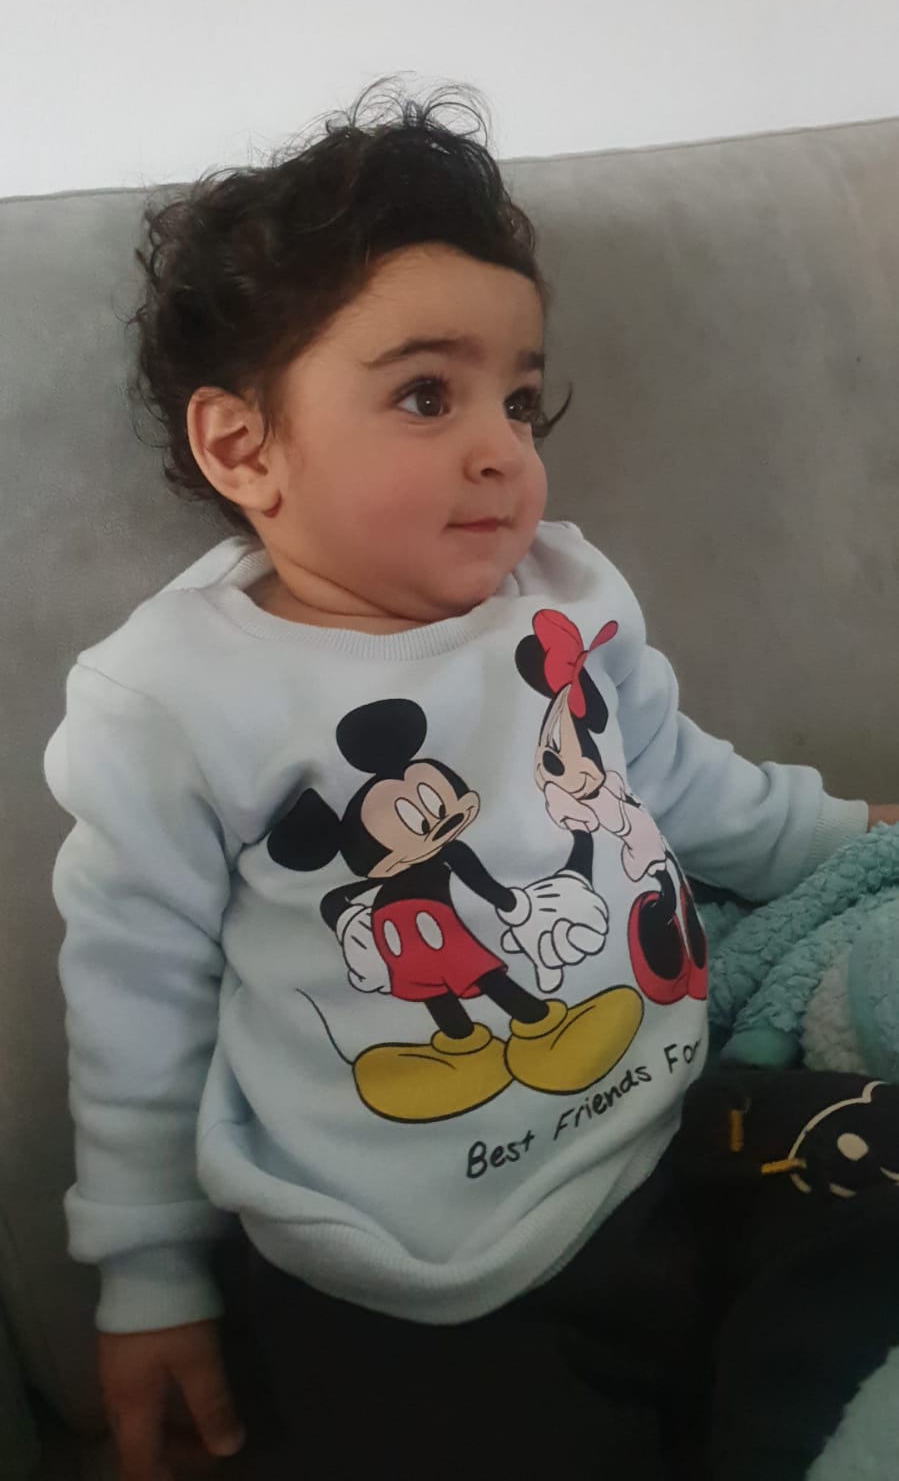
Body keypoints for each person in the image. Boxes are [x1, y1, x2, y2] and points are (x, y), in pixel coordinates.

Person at [45, 85, 899, 1481]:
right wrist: (148, 1279)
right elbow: (135, 1004)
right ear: (243, 447)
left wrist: (849, 830)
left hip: (680, 1137)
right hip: (414, 1280)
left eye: (517, 397)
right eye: (425, 395)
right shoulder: (174, 699)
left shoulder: (565, 588)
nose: (501, 445)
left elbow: (674, 780)